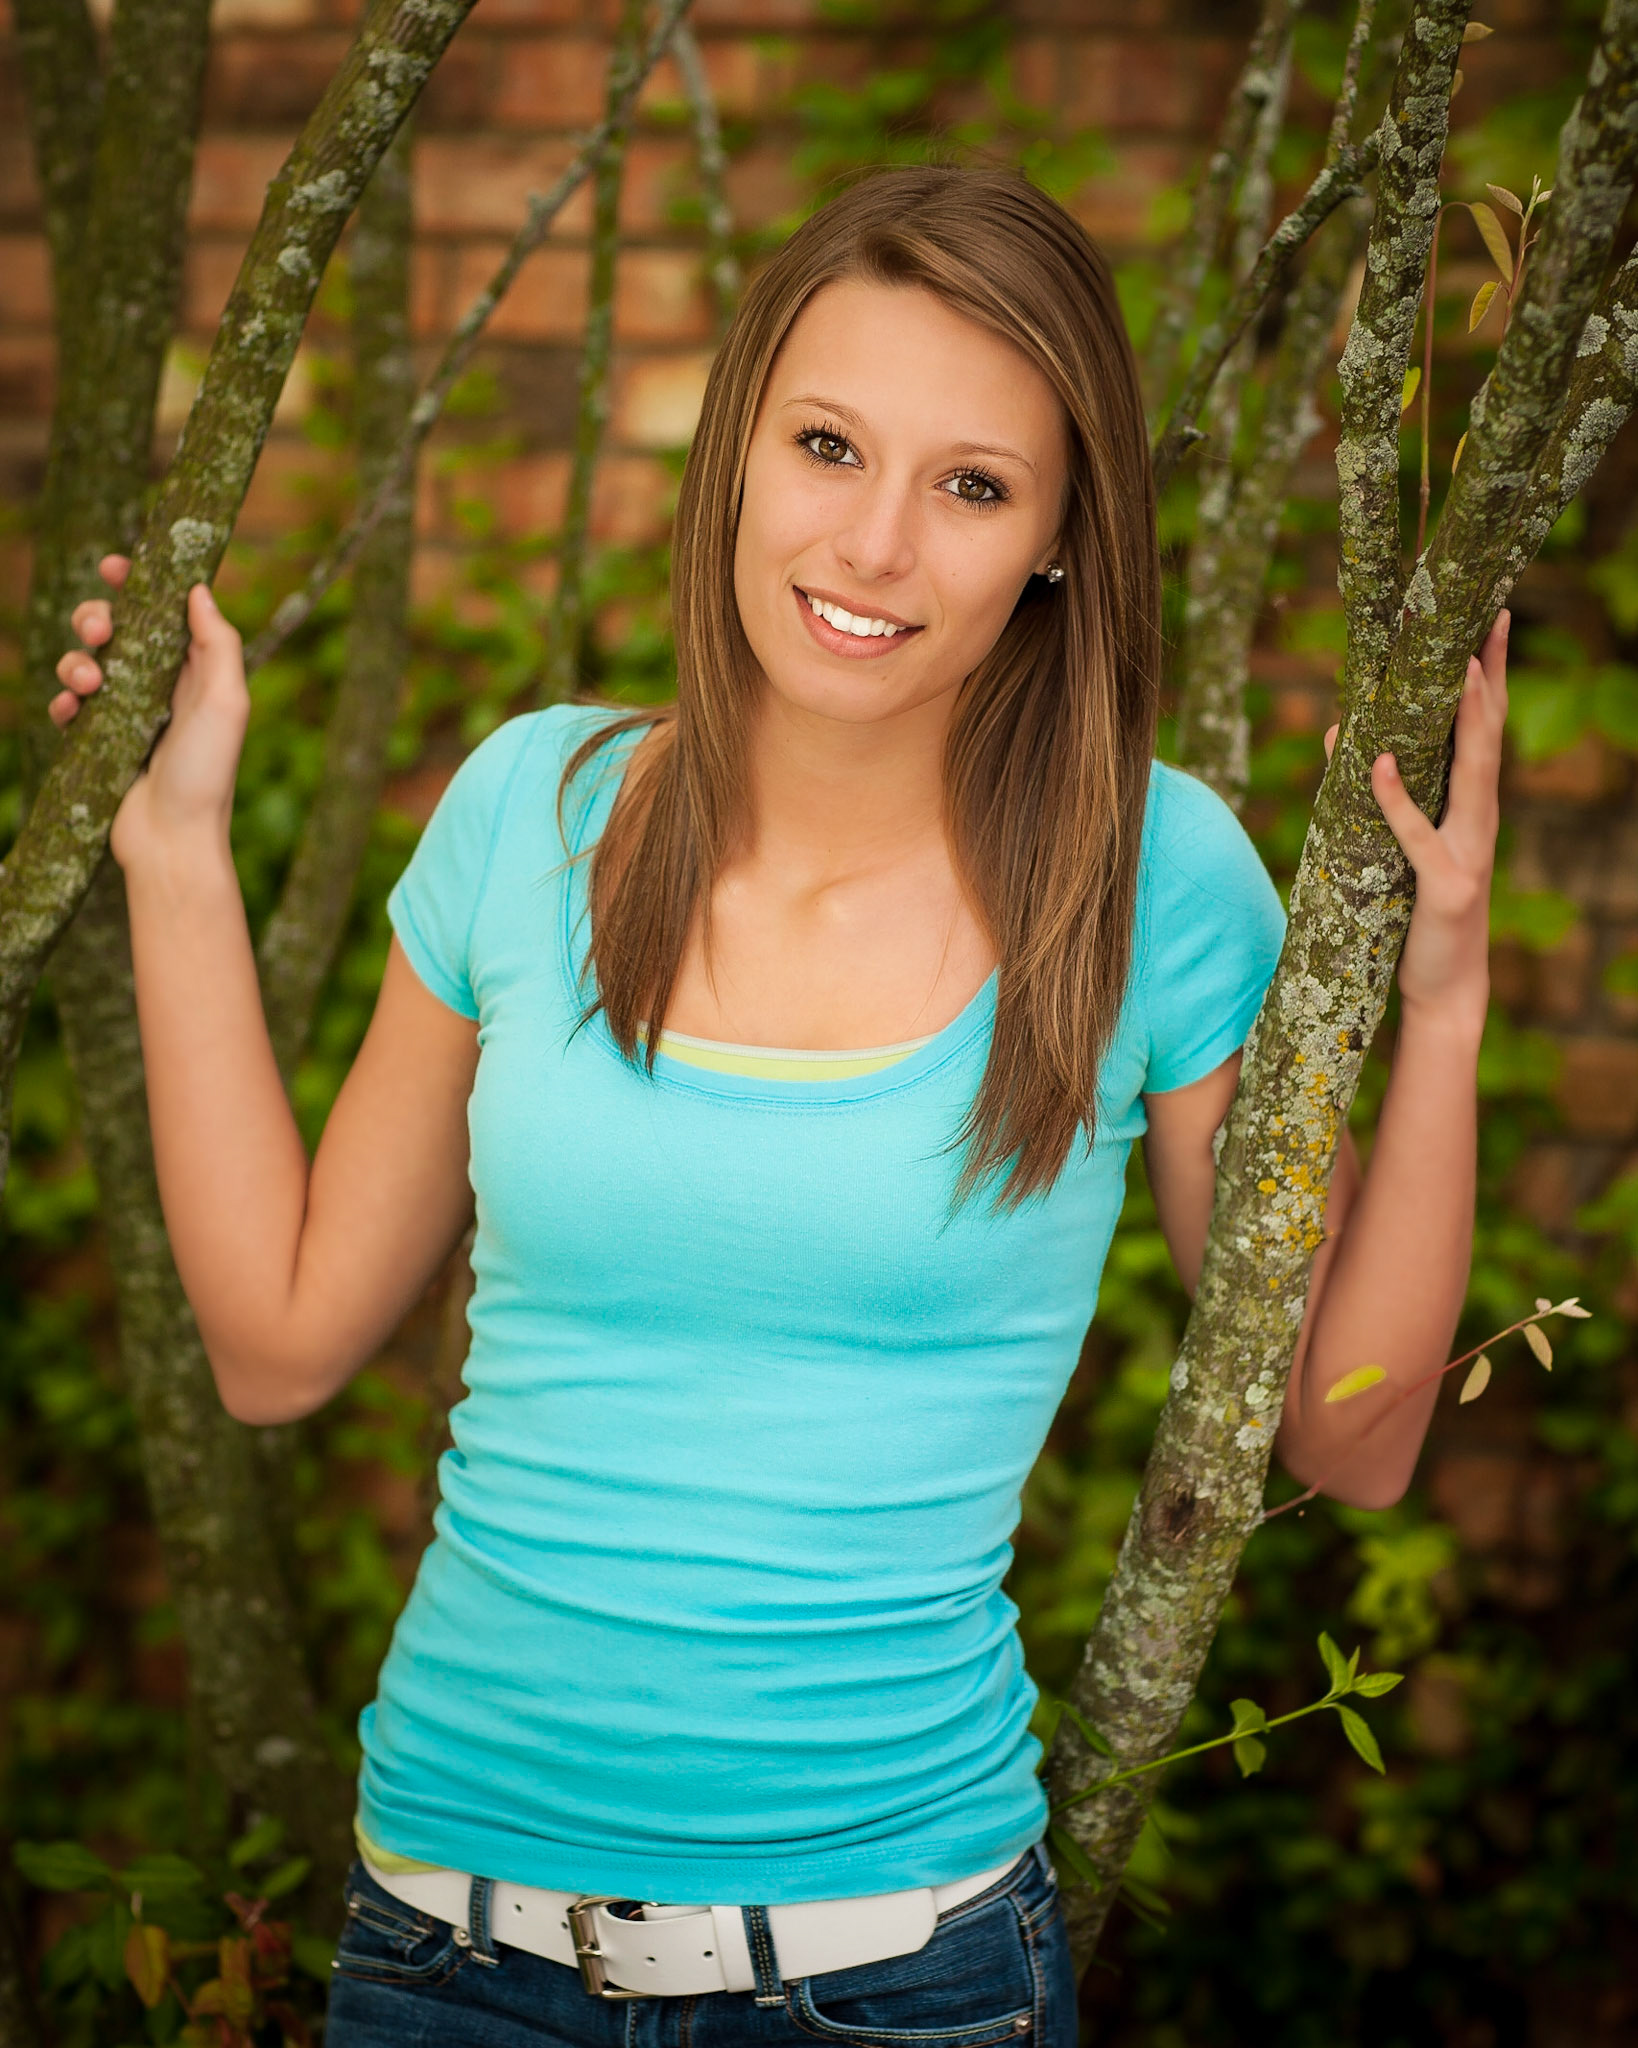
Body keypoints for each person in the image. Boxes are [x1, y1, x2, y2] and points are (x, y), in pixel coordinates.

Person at [52, 166, 1506, 2047]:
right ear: (738, 448)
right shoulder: (535, 808)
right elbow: (274, 1342)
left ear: (1059, 543)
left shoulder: (1146, 876)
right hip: (442, 1953)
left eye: (971, 486)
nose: (874, 544)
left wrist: (1443, 1000)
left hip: (898, 1974)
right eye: (828, 446)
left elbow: (1348, 1436)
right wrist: (173, 847)